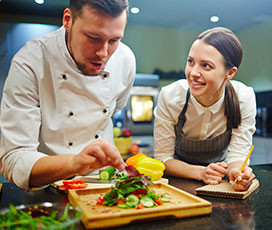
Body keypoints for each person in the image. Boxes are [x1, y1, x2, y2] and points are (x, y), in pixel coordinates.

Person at [0, 0, 136, 190]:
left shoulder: (125, 60)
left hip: (104, 185)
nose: (103, 53)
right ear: (68, 20)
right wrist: (75, 163)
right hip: (47, 188)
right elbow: (13, 159)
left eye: (114, 40)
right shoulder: (30, 62)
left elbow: (114, 110)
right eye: (93, 37)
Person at [154, 27, 256, 191]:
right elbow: (163, 158)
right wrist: (200, 172)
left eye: (206, 66)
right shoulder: (170, 96)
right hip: (178, 182)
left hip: (218, 183)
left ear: (230, 73)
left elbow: (237, 155)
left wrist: (237, 172)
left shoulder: (243, 97)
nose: (193, 73)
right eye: (190, 62)